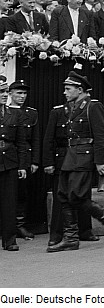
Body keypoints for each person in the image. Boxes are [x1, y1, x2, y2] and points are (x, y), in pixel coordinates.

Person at [46, 72, 104, 252]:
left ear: (80, 90)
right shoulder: (71, 107)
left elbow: (102, 136)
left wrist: (100, 162)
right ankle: (71, 238)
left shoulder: (93, 107)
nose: (65, 92)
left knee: (78, 196)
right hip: (69, 158)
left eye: (68, 89)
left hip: (84, 157)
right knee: (63, 196)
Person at [4, 80, 38, 242]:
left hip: (24, 157)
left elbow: (34, 139)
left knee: (21, 193)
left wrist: (35, 161)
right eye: (19, 93)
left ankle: (19, 225)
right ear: (10, 94)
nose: (22, 96)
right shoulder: (6, 111)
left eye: (24, 93)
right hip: (7, 156)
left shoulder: (31, 113)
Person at [0, 79, 31, 251]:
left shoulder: (15, 114)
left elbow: (21, 142)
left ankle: (10, 240)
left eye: (5, 92)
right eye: (0, 92)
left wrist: (21, 166)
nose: (4, 95)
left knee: (9, 203)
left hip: (9, 162)